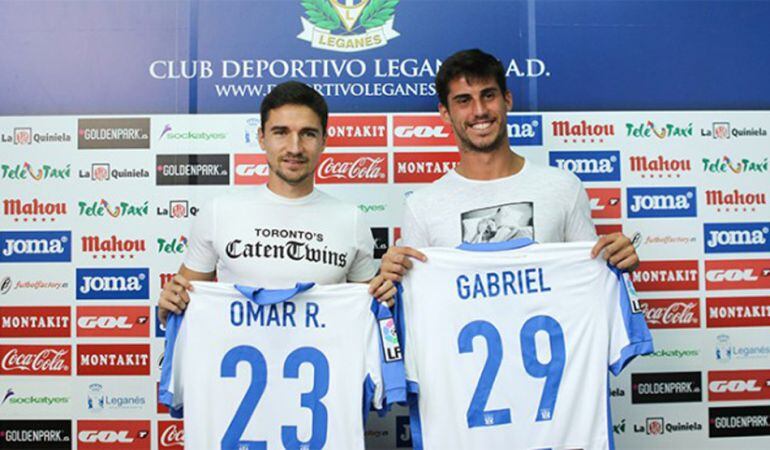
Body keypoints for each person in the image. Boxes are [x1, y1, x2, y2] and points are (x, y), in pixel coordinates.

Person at [370, 48, 638, 289]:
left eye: (488, 95)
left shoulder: (563, 186)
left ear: (507, 100)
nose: (479, 111)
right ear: (445, 113)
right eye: (464, 100)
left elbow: (591, 279)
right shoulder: (422, 206)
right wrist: (391, 278)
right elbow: (418, 297)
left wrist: (617, 262)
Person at [158, 81, 396, 323]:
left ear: (324, 140)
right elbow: (179, 309)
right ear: (261, 138)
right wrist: (169, 305)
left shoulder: (352, 219)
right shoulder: (219, 211)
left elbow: (368, 315)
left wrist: (383, 299)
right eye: (281, 132)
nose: (295, 147)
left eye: (308, 134)